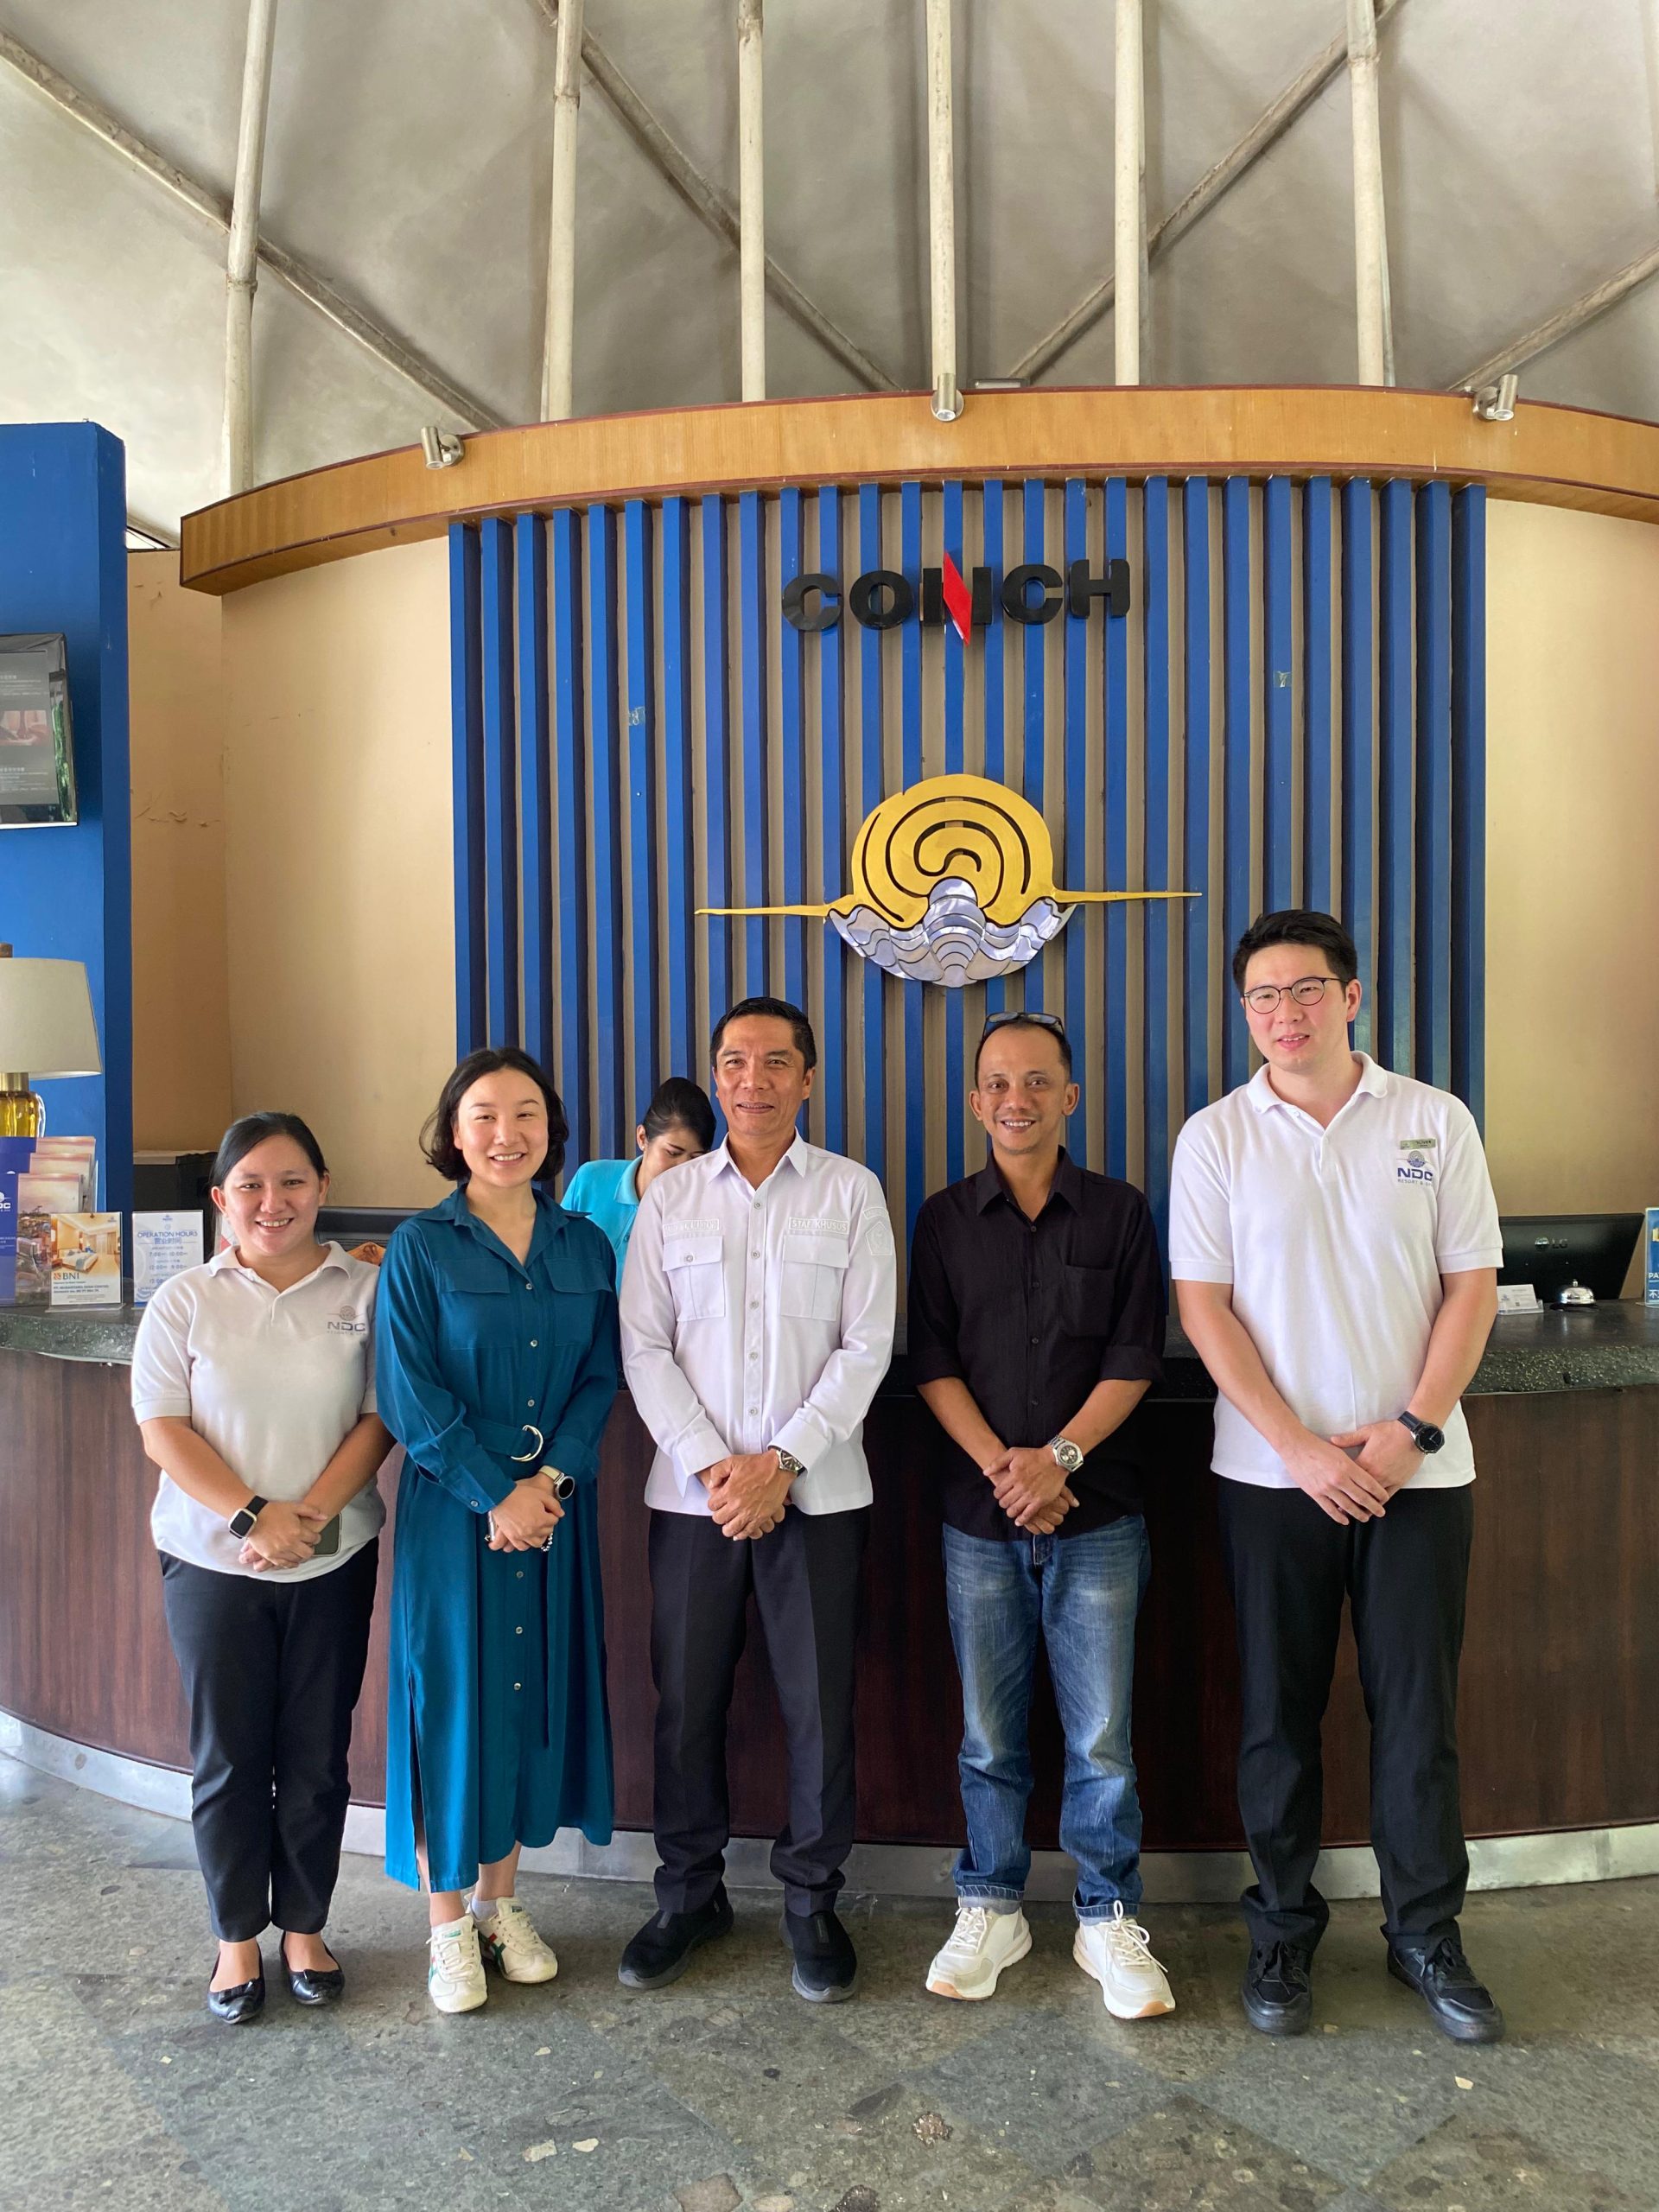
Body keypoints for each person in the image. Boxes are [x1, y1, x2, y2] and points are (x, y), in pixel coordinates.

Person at [1168, 908, 1503, 2046]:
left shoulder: (1433, 1121)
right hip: (1272, 1480)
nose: (1284, 1013)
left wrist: (1412, 1430)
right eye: (1262, 997)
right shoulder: (1216, 1137)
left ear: (1350, 997)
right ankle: (1280, 1930)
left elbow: (1470, 1286)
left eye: (1305, 990)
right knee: (1277, 1715)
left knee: (1418, 1717)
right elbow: (1205, 1310)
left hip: (1419, 1475)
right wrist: (1302, 1448)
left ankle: (1426, 1934)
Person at [618, 995, 896, 2003]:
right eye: (735, 1061)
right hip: (694, 1503)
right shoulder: (670, 1201)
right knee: (686, 1705)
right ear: (716, 1075)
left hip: (816, 1498)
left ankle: (812, 1901)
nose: (754, 1079)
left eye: (776, 1061)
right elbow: (644, 1345)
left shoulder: (852, 1193)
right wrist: (714, 1467)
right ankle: (689, 1895)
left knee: (819, 1708)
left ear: (808, 1079)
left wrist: (780, 1463)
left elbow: (867, 1346)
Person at [907, 1011, 1174, 2018]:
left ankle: (1108, 1915)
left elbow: (1135, 1354)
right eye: (997, 1083)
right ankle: (992, 1903)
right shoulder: (942, 1218)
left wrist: (1057, 1460)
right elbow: (931, 1359)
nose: (1015, 1098)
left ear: (1070, 1096)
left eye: (1036, 1081)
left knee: (1101, 1736)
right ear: (976, 1102)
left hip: (1098, 1512)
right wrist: (1004, 1469)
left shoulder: (1120, 1212)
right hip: (979, 1520)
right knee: (988, 1735)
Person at [375, 1046, 620, 2014]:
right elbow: (409, 1394)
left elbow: (600, 1377)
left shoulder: (583, 1246)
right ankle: (445, 1924)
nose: (505, 1134)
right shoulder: (420, 1247)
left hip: (553, 1509)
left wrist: (548, 1481)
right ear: (454, 1131)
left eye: (526, 1114)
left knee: (524, 1695)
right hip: (453, 1516)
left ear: (552, 1130)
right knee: (452, 1701)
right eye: (483, 1115)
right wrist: (496, 1495)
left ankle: (498, 1903)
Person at [131, 1112, 388, 2023]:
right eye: (250, 1185)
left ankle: (306, 1928)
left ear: (323, 1188)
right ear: (220, 1198)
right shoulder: (184, 1299)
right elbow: (163, 1429)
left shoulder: (365, 1290)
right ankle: (236, 1937)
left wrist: (304, 1520)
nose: (271, 1201)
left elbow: (379, 1417)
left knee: (317, 1755)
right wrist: (254, 1515)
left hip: (332, 1557)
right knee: (229, 1756)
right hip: (211, 1562)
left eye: (291, 1182)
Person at [563, 1076, 717, 1270]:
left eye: (696, 1159)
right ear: (642, 1138)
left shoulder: (706, 1212)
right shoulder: (590, 1180)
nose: (683, 1169)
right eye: (672, 1153)